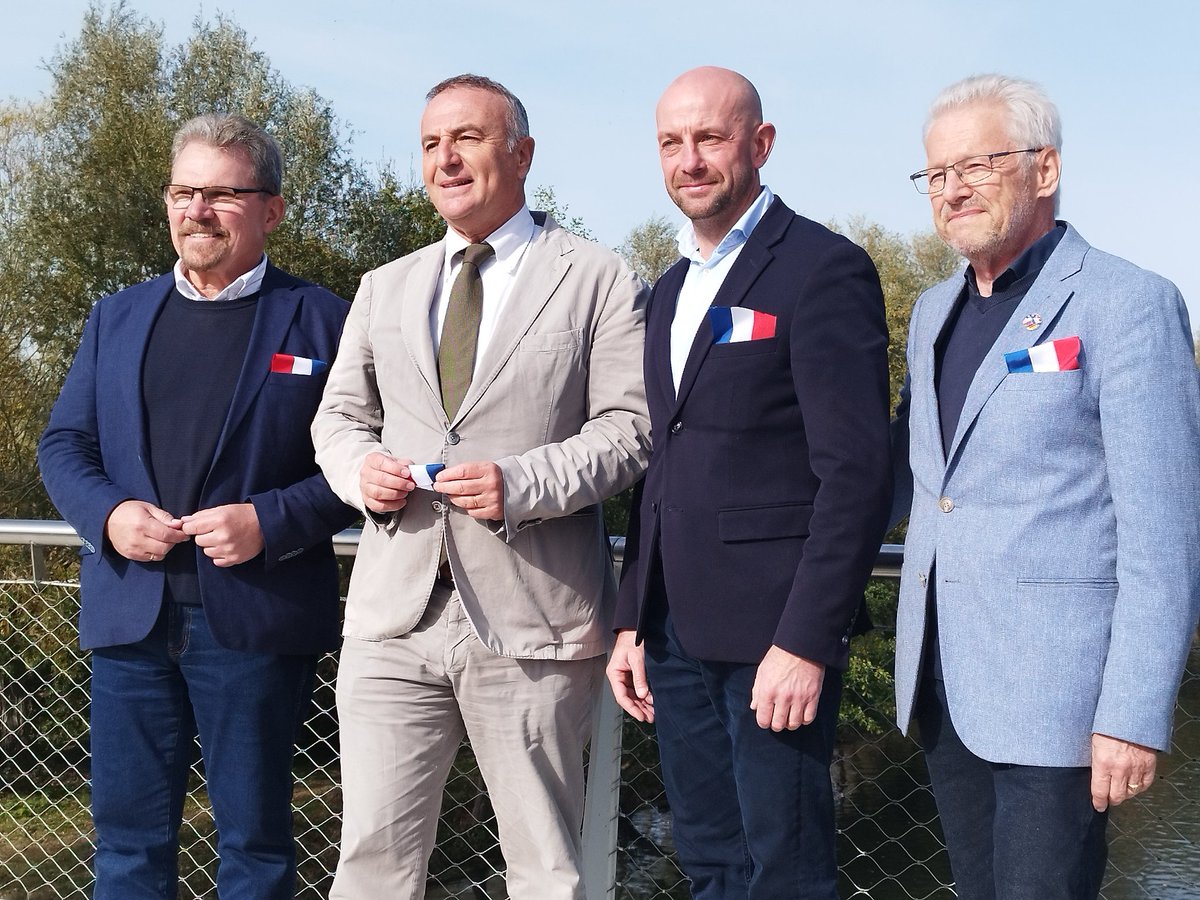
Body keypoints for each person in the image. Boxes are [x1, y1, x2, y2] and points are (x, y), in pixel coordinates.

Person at [311, 73, 650, 900]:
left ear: (522, 153)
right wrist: (362, 472)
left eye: (465, 138)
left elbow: (631, 428)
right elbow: (337, 420)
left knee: (544, 871)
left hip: (534, 616)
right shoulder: (383, 286)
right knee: (371, 868)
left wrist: (521, 481)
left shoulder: (600, 277)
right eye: (430, 144)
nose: (445, 159)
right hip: (393, 616)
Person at [891, 74, 1200, 900]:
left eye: (978, 165)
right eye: (936, 174)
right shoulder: (930, 313)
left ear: (1045, 169)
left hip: (1059, 702)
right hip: (946, 685)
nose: (952, 189)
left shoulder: (1128, 304)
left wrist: (1131, 714)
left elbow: (1162, 535)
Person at [37, 113, 355, 899]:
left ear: (272, 209)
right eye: (184, 192)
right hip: (130, 619)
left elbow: (356, 465)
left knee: (253, 845)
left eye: (221, 193)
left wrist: (268, 522)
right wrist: (109, 516)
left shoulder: (325, 320)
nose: (196, 211)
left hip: (253, 618)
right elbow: (64, 446)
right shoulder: (117, 316)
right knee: (127, 846)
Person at [606, 66, 893, 900]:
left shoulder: (822, 269)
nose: (688, 159)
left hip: (774, 639)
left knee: (787, 872)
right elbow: (664, 465)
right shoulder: (666, 291)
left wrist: (807, 640)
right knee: (709, 863)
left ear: (759, 145)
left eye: (709, 138)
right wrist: (633, 618)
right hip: (674, 636)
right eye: (671, 142)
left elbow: (857, 473)